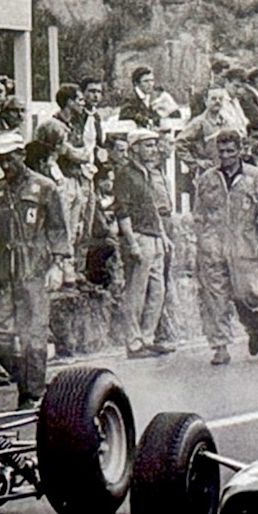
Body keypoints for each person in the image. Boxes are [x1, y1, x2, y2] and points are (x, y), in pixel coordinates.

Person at [0, 132, 69, 404]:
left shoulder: (44, 188)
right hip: (2, 272)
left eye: (10, 159)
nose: (6, 165)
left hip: (33, 270)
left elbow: (57, 229)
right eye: (0, 160)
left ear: (21, 155)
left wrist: (58, 265)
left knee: (34, 335)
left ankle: (33, 394)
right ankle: (27, 379)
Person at [193, 130, 258, 366]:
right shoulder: (207, 178)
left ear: (240, 151)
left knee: (246, 294)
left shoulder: (254, 177)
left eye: (230, 151)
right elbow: (199, 214)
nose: (226, 156)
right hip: (213, 245)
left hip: (243, 243)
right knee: (215, 298)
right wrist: (199, 241)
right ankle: (220, 347)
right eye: (222, 151)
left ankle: (255, 324)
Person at [111, 128, 174, 357]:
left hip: (154, 236)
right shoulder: (125, 174)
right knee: (136, 291)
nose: (154, 149)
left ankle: (147, 337)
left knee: (158, 290)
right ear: (134, 148)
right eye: (148, 145)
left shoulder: (147, 173)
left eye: (154, 144)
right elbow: (122, 210)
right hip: (138, 236)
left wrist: (163, 236)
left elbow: (153, 208)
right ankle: (134, 342)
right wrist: (131, 242)